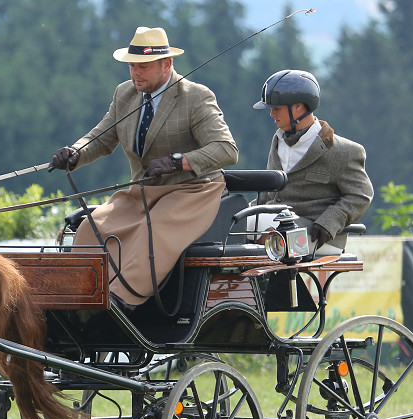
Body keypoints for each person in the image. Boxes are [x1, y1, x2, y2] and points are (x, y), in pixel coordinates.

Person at [49, 26, 238, 308]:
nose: (136, 73)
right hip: (143, 193)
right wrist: (75, 153)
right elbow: (100, 138)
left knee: (151, 233)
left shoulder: (195, 97)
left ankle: (121, 302)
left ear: (167, 64)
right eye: (132, 66)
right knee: (91, 227)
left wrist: (179, 161)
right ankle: (80, 295)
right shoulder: (124, 94)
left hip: (192, 193)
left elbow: (227, 149)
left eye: (144, 67)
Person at [251, 69, 373, 255]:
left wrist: (329, 222)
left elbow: (360, 195)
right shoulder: (277, 141)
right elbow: (269, 196)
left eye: (277, 108)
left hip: (318, 236)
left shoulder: (345, 151)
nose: (272, 114)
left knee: (263, 229)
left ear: (298, 107)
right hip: (278, 228)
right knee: (232, 225)